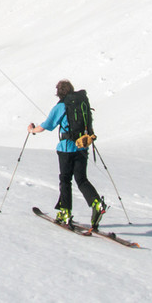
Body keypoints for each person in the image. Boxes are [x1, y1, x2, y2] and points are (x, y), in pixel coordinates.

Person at [28, 79, 107, 227]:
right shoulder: (81, 103)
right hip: (82, 146)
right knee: (81, 179)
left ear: (58, 93)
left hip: (66, 149)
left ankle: (65, 211)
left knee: (65, 180)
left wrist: (32, 130)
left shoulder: (61, 106)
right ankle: (96, 203)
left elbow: (47, 126)